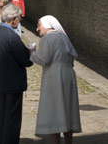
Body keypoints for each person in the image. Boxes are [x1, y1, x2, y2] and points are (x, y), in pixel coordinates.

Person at [29, 15, 81, 144]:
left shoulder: (49, 38)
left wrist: (32, 52)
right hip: (68, 76)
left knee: (55, 112)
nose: (37, 28)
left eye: (39, 25)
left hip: (55, 77)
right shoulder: (63, 38)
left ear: (47, 25)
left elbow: (43, 59)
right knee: (67, 110)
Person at [0, 3, 33, 144]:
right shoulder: (12, 36)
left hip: (0, 81)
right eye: (19, 18)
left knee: (3, 116)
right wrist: (30, 52)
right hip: (13, 83)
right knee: (13, 118)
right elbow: (25, 60)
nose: (19, 20)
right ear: (13, 19)